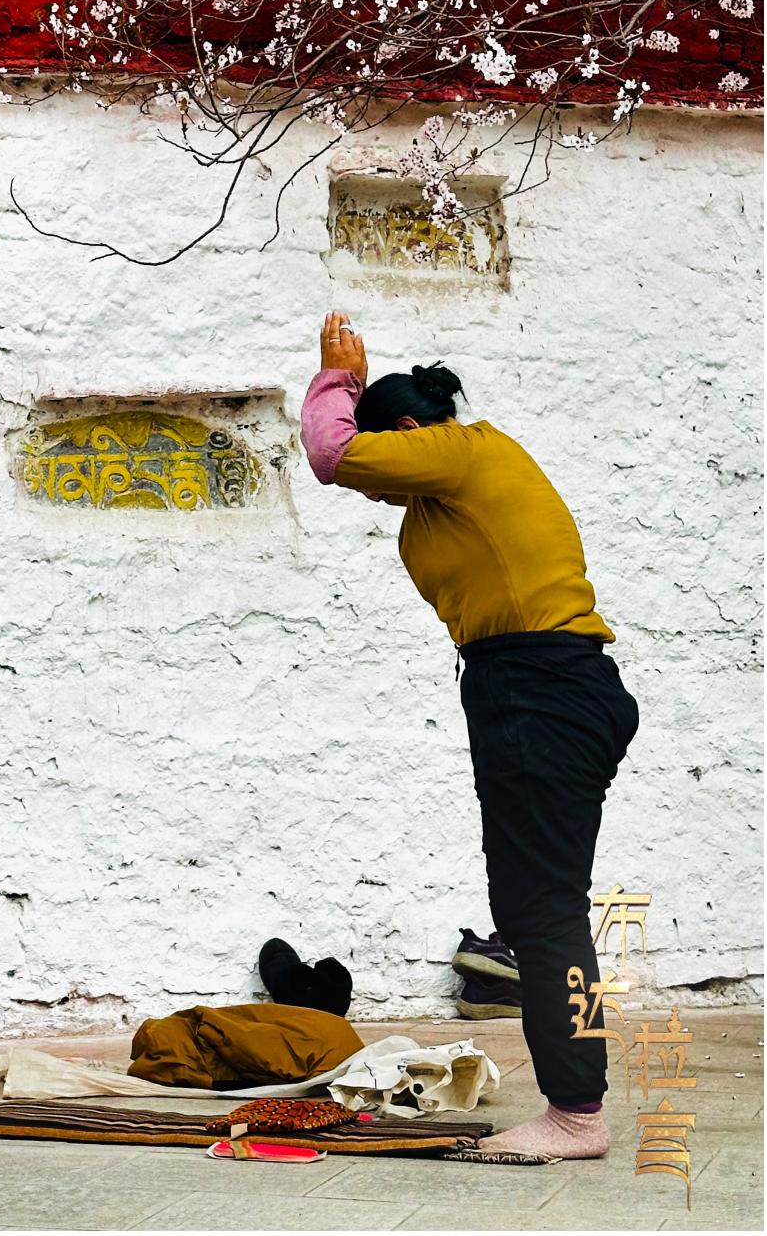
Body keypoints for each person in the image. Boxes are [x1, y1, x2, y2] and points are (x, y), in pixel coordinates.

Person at [300, 310, 639, 1161]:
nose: (379, 489)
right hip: (531, 694)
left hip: (543, 693)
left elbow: (332, 453)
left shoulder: (460, 449)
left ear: (408, 432)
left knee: (546, 914)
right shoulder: (439, 503)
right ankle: (576, 1101)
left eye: (391, 459)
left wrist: (336, 379)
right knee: (538, 914)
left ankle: (576, 1116)